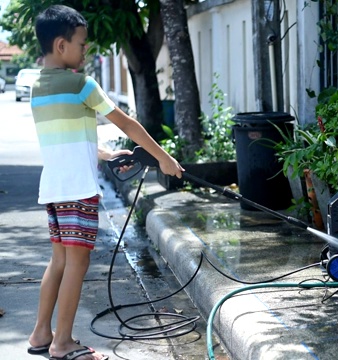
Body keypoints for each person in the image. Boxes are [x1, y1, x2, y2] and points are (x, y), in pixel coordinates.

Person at [27, 5, 183, 360]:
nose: (87, 51)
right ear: (62, 45)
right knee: (77, 264)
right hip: (79, 190)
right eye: (82, 45)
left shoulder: (38, 85)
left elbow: (64, 135)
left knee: (59, 262)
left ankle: (40, 333)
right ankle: (63, 342)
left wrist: (104, 154)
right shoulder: (82, 84)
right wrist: (164, 158)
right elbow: (126, 123)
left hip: (54, 188)